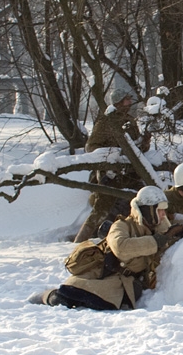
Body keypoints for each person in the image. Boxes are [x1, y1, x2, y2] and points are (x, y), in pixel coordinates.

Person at [32, 186, 174, 310]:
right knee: (64, 299)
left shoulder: (157, 229)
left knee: (109, 301)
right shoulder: (121, 226)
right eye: (160, 210)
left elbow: (172, 233)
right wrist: (155, 242)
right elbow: (121, 247)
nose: (163, 215)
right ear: (148, 210)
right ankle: (47, 296)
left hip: (127, 281)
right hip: (102, 275)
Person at [73, 86, 151, 243]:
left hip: (130, 173)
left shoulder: (129, 121)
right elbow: (91, 147)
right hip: (110, 174)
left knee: (144, 199)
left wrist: (145, 141)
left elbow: (137, 149)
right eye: (127, 99)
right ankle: (79, 242)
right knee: (102, 208)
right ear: (119, 102)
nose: (130, 102)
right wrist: (112, 154)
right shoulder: (106, 122)